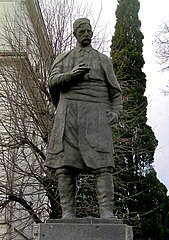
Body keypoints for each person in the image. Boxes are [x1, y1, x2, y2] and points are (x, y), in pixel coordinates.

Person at [45, 18, 123, 219]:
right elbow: (52, 83)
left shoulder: (103, 60)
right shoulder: (64, 59)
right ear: (75, 34)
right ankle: (68, 213)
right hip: (69, 115)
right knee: (65, 167)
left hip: (97, 116)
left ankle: (106, 212)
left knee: (103, 165)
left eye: (89, 31)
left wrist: (115, 112)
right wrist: (71, 75)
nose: (86, 34)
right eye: (82, 31)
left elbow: (116, 93)